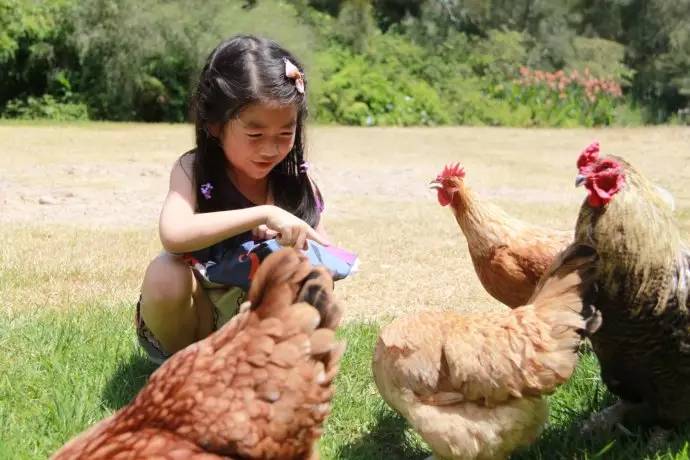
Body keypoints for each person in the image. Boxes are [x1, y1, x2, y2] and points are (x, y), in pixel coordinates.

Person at [135, 35, 331, 364]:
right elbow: (173, 234)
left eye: (286, 133)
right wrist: (262, 214)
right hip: (193, 321)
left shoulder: (296, 182)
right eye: (255, 135)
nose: (271, 149)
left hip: (259, 323)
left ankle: (257, 365)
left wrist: (291, 245)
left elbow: (324, 255)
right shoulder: (193, 169)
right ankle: (187, 369)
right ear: (214, 125)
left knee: (315, 281)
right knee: (164, 272)